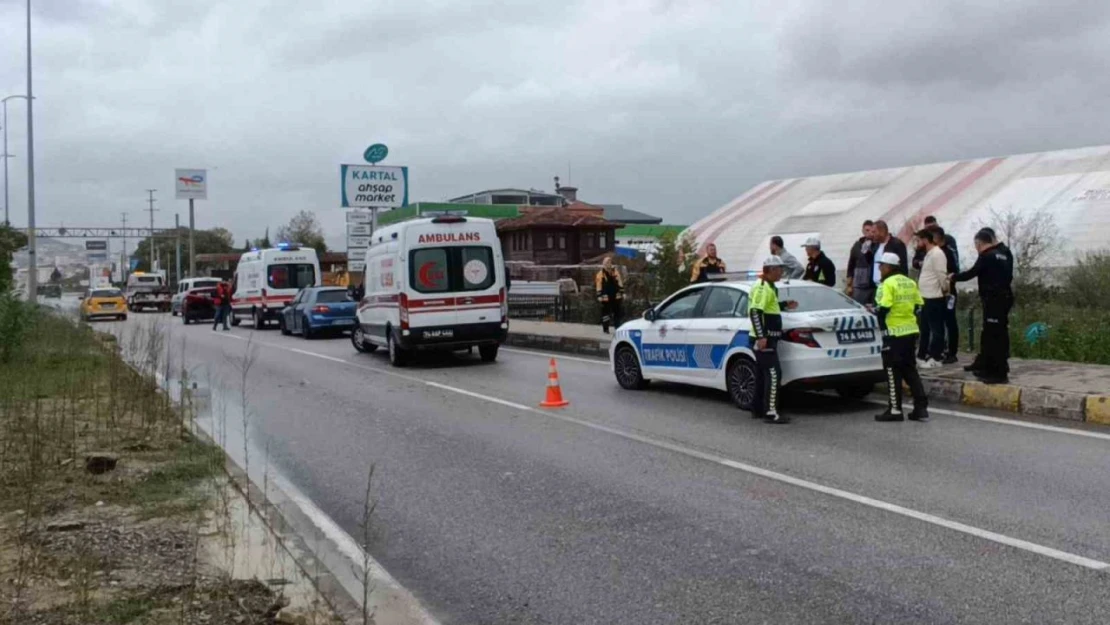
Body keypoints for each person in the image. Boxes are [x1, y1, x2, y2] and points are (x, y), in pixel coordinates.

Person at [952, 228, 1013, 384]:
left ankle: (997, 372)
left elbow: (972, 272)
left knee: (993, 336)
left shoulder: (987, 256)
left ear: (979, 243)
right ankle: (988, 365)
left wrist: (953, 277)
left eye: (976, 245)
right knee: (997, 334)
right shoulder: (1005, 253)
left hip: (992, 300)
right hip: (1004, 298)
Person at [874, 252, 929, 422]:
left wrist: (878, 317)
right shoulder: (910, 282)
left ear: (888, 267)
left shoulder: (887, 284)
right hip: (910, 332)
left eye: (881, 265)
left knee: (892, 371)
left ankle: (895, 409)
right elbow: (919, 305)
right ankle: (920, 408)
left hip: (893, 334)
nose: (879, 269)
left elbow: (884, 307)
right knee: (910, 370)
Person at [748, 256, 798, 425]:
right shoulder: (762, 287)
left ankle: (758, 409)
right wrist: (761, 336)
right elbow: (755, 312)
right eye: (779, 269)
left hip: (769, 337)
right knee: (774, 374)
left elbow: (770, 307)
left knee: (763, 375)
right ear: (770, 270)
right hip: (765, 339)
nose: (781, 273)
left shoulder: (770, 287)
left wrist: (784, 305)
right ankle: (770, 412)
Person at [915, 228, 949, 367]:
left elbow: (942, 275)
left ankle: (936, 357)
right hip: (925, 296)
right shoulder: (929, 254)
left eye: (918, 241)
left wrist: (945, 290)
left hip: (934, 297)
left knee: (936, 329)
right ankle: (922, 355)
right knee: (924, 328)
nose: (916, 244)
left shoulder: (937, 254)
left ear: (924, 240)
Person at [933, 226, 960, 363]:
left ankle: (952, 352)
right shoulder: (934, 252)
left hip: (948, 291)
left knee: (950, 321)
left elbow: (954, 270)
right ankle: (939, 350)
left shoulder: (948, 252)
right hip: (936, 292)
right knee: (939, 322)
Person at [846, 220, 876, 304]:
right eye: (867, 230)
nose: (869, 233)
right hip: (860, 285)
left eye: (871, 231)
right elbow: (851, 264)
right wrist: (849, 284)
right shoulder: (857, 245)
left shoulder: (877, 245)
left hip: (874, 284)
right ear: (862, 230)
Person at [595, 257, 624, 334]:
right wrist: (599, 296)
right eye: (607, 263)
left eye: (610, 262)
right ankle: (606, 328)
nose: (609, 264)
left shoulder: (615, 272)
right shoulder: (600, 274)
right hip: (606, 297)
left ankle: (617, 328)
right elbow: (598, 285)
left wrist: (622, 292)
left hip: (616, 296)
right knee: (605, 314)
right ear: (604, 264)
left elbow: (620, 282)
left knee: (617, 313)